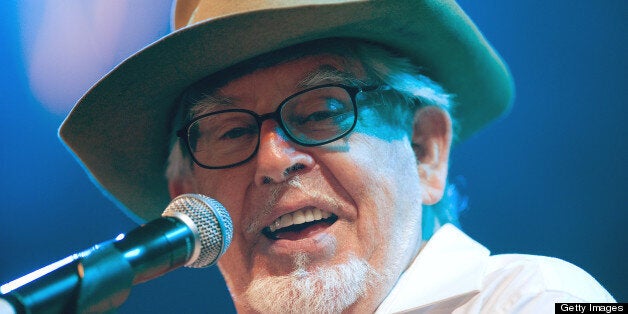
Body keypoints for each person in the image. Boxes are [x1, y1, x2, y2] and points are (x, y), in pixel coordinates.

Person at [59, 0, 615, 312]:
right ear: (185, 200)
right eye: (228, 131)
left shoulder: (542, 299)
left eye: (321, 112)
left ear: (425, 151)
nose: (274, 160)